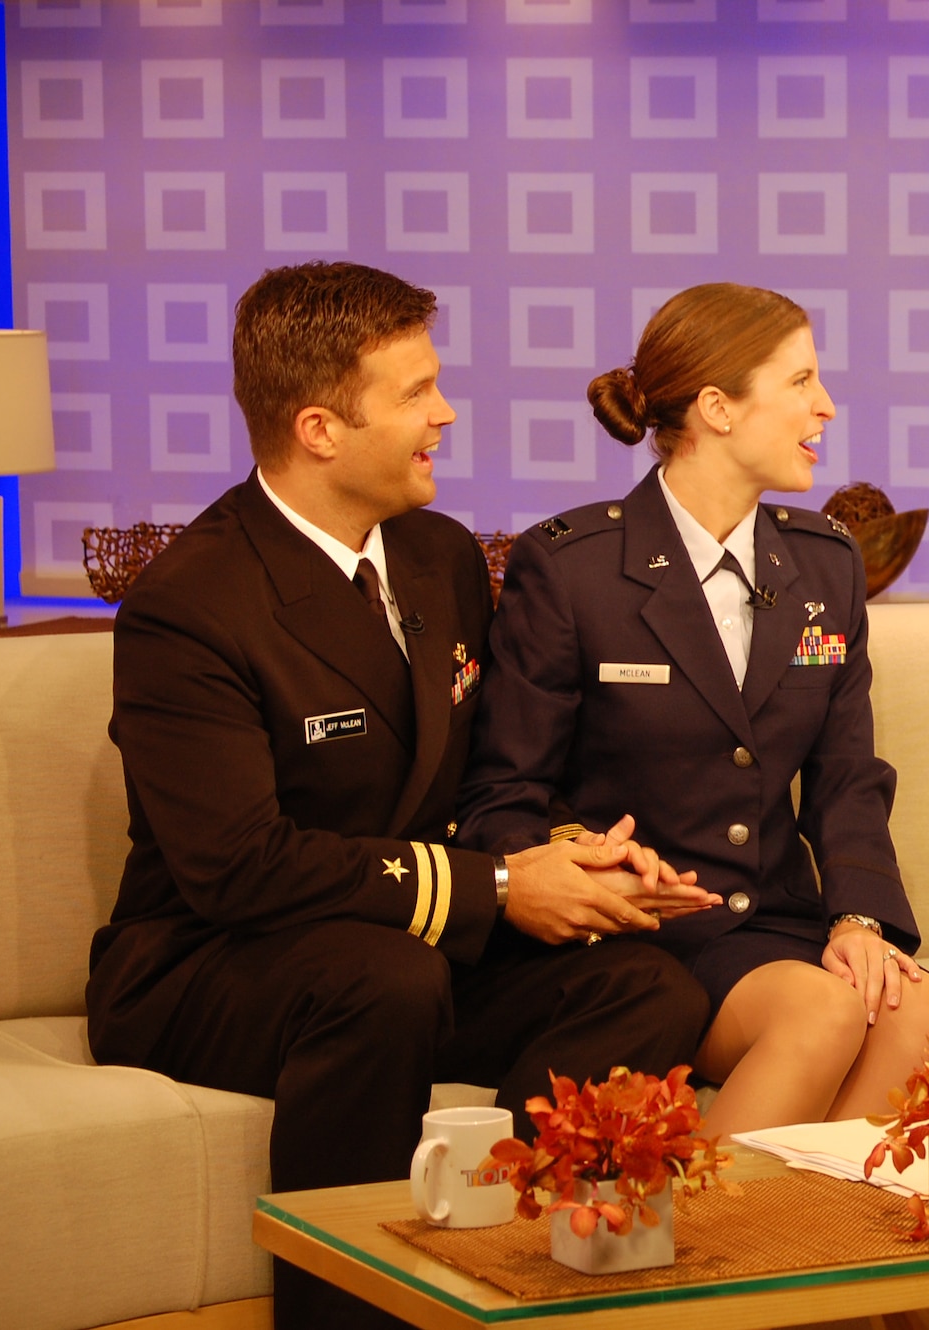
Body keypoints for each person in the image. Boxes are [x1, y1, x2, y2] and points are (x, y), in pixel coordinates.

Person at [87, 262, 710, 1330]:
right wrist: (501, 884)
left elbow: (471, 778)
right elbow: (240, 865)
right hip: (209, 958)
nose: (446, 412)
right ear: (322, 427)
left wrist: (567, 856)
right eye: (418, 391)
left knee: (644, 983)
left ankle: (526, 1270)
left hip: (406, 941)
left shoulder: (437, 555)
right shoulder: (190, 605)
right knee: (383, 982)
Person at [458, 282, 929, 1140]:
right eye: (801, 381)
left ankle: (785, 1255)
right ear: (718, 407)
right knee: (823, 1012)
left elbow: (846, 776)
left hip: (771, 919)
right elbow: (502, 796)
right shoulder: (572, 568)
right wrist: (584, 860)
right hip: (641, 934)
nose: (827, 406)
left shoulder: (825, 564)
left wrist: (859, 920)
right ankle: (713, 1257)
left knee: (928, 1015)